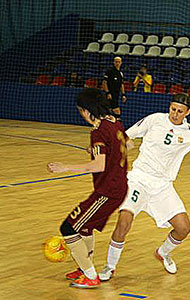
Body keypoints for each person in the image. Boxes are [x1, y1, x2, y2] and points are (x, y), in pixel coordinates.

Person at [98, 93, 190, 280]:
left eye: (180, 111)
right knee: (124, 221)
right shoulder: (154, 120)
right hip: (138, 179)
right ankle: (109, 267)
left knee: (183, 228)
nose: (175, 114)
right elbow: (125, 135)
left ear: (188, 112)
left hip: (162, 186)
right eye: (173, 109)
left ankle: (163, 252)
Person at [47, 88, 129, 288]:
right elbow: (130, 144)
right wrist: (100, 150)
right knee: (85, 227)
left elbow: (98, 166)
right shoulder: (114, 121)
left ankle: (91, 276)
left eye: (81, 111)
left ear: (86, 110)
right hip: (117, 187)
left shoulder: (98, 130)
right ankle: (84, 268)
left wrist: (65, 167)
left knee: (68, 227)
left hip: (108, 191)